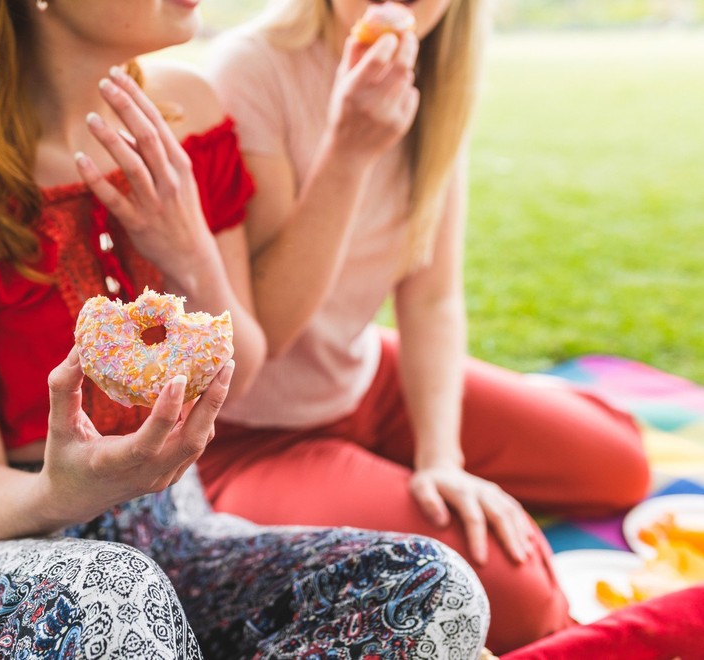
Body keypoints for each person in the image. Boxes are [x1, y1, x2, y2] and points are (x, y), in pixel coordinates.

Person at [0, 0, 490, 657]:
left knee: (432, 587)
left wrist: (187, 247)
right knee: (115, 602)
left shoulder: (185, 114)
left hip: (169, 535)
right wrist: (64, 492)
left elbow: (242, 366)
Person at [196, 0, 651, 653]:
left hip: (362, 373)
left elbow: (432, 298)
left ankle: (387, 465)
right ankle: (364, 479)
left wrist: (442, 457)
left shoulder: (434, 75)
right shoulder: (250, 70)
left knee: (621, 465)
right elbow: (266, 335)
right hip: (247, 436)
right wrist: (348, 150)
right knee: (521, 597)